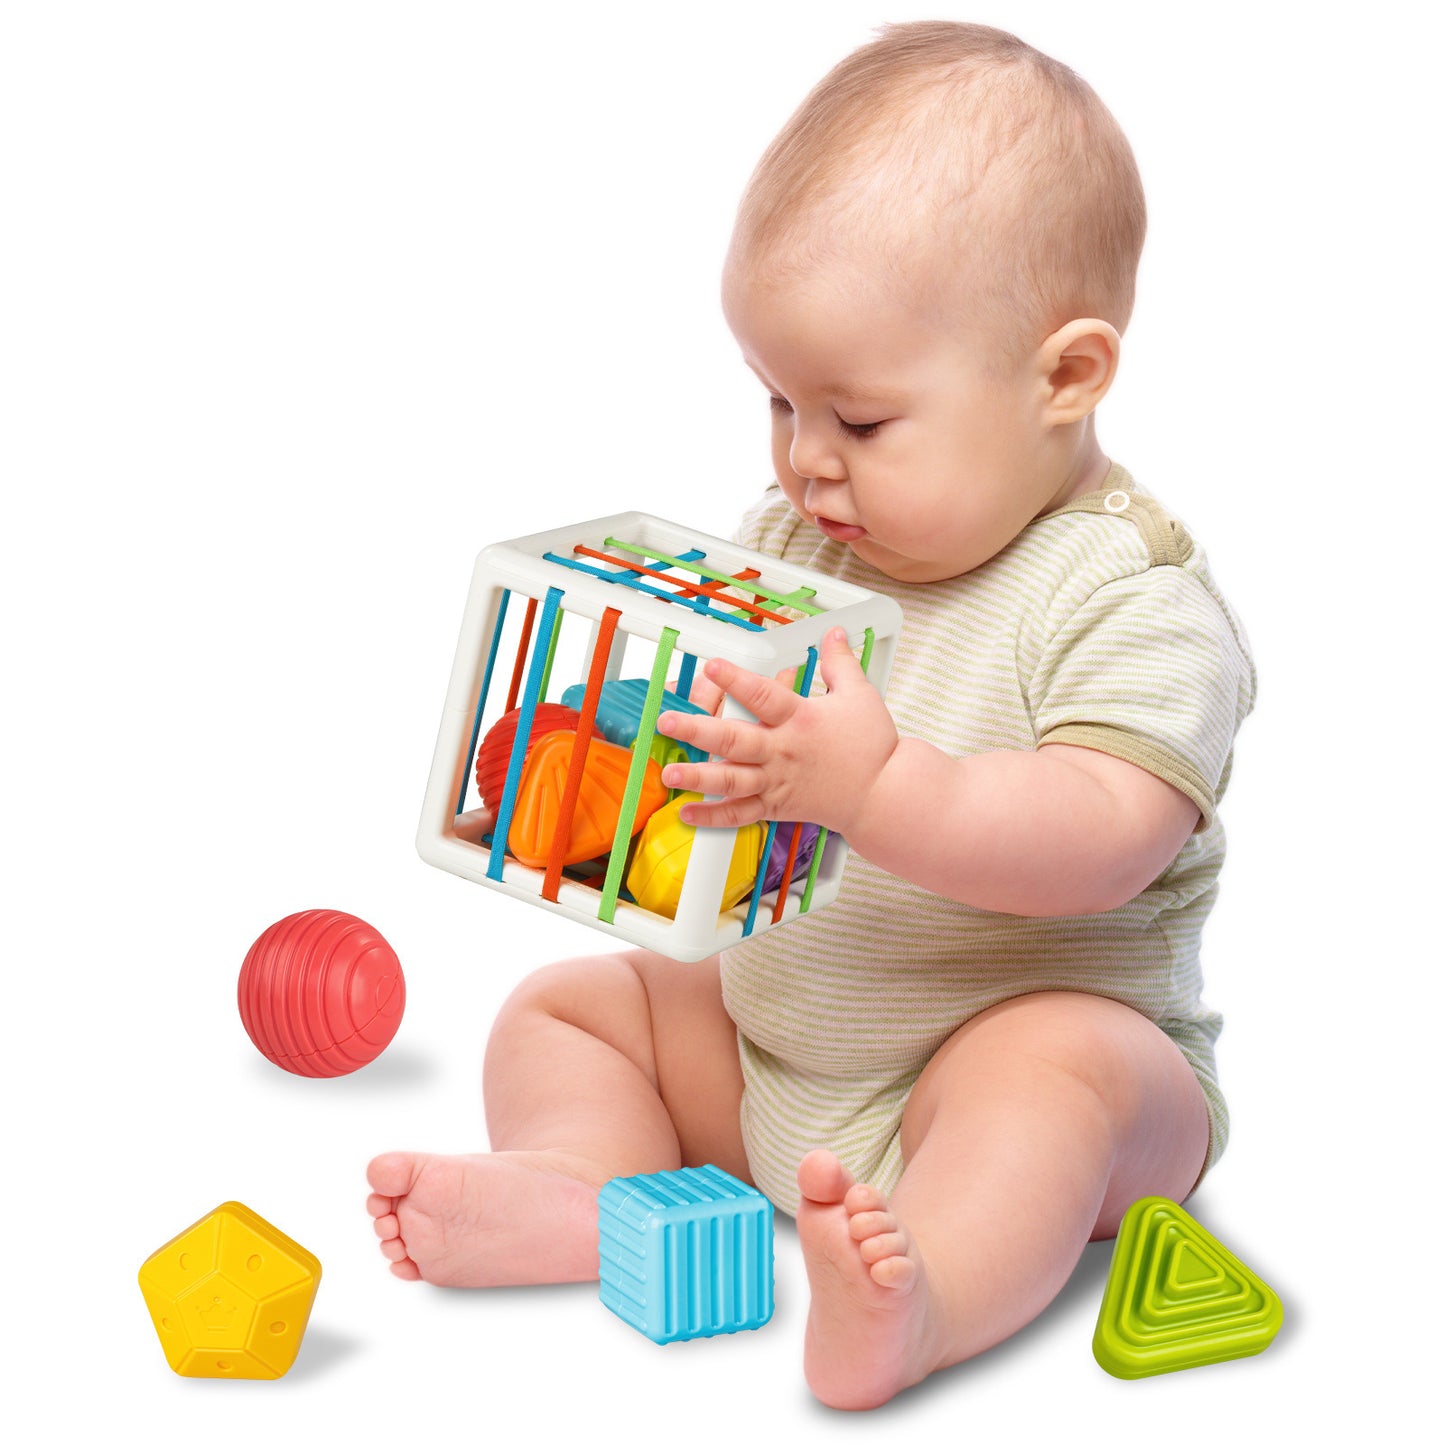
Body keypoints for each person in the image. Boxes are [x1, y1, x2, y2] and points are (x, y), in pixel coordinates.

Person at [366, 20, 1255, 1409]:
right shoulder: (797, 539)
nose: (803, 459)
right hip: (780, 1045)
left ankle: (931, 1296)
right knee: (577, 1006)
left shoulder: (1127, 595)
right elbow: (714, 747)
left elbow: (1104, 836)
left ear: (1064, 376)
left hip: (1005, 1075)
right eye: (777, 399)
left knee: (1056, 1072)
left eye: (860, 417)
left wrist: (876, 787)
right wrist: (592, 792)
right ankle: (583, 1183)